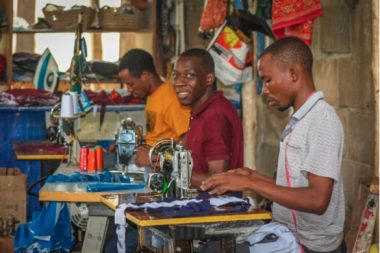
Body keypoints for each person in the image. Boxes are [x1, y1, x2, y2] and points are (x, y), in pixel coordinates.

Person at [201, 37, 346, 253]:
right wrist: (251, 176)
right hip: (289, 232)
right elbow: (296, 190)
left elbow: (317, 199)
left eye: (267, 80)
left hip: (311, 245)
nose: (264, 90)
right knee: (211, 244)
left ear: (293, 74)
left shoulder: (321, 120)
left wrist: (250, 183)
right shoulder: (299, 119)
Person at [173, 48, 244, 190]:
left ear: (209, 79)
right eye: (176, 76)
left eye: (189, 75)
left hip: (218, 208)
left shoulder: (215, 116)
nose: (179, 83)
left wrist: (171, 171)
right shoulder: (202, 110)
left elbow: (217, 181)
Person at [117, 48, 190, 167]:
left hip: (165, 168)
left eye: (131, 83)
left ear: (145, 75)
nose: (129, 89)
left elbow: (188, 140)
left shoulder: (170, 97)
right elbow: (155, 134)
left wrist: (157, 159)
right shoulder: (151, 98)